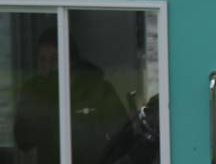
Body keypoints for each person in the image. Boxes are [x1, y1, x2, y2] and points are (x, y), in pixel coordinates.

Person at [14, 26, 129, 164]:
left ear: (71, 61)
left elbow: (124, 137)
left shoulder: (98, 88)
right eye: (42, 60)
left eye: (55, 59)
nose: (48, 67)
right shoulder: (32, 90)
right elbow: (23, 142)